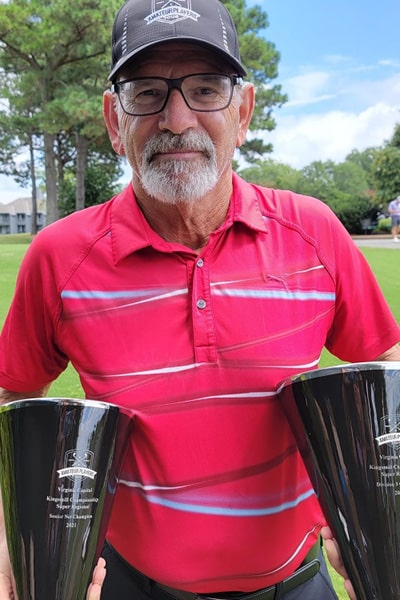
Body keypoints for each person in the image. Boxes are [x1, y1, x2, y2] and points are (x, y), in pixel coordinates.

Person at [0, 0, 399, 598]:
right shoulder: (60, 257)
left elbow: (387, 366)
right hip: (131, 585)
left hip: (297, 584)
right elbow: (14, 395)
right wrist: (9, 534)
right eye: (148, 92)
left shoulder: (314, 232)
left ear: (243, 112)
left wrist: (379, 496)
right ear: (115, 120)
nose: (177, 119)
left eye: (206, 89)